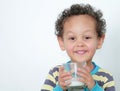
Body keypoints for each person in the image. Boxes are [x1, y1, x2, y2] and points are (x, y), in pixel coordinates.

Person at [41, 3, 115, 91]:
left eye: (87, 37)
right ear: (61, 42)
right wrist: (60, 87)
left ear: (99, 41)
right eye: (72, 38)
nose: (79, 44)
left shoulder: (105, 77)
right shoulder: (56, 74)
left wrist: (94, 86)